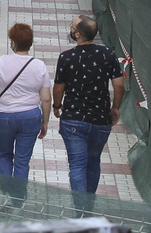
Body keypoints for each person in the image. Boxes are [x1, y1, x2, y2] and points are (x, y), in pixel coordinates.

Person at [53, 14, 125, 203]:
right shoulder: (108, 54)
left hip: (73, 119)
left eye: (73, 26)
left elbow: (59, 86)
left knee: (77, 165)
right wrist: (115, 108)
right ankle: (88, 204)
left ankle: (80, 210)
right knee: (93, 162)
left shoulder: (67, 57)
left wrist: (57, 105)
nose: (70, 28)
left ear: (78, 35)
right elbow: (119, 85)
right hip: (100, 120)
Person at [0, 23, 52, 190]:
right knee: (22, 160)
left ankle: (6, 192)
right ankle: (18, 200)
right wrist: (45, 121)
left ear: (13, 42)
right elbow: (46, 98)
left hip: (4, 115)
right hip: (30, 116)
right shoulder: (39, 66)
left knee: (4, 155)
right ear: (30, 43)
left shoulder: (2, 61)